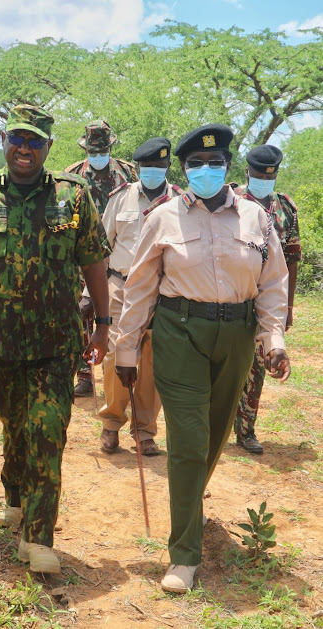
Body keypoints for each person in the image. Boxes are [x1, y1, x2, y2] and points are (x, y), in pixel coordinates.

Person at [115, 124, 291, 594]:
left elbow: (273, 284)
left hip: (236, 334)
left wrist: (273, 340)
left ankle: (189, 504)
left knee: (213, 435)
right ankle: (184, 555)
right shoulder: (163, 217)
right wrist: (126, 348)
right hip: (180, 332)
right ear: (184, 170)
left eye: (215, 164)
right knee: (189, 438)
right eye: (197, 164)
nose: (206, 171)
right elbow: (138, 290)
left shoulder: (258, 219)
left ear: (228, 167)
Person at [0, 105, 111, 574]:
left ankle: (38, 539)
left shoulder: (74, 197)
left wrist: (103, 323)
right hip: (1, 344)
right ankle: (14, 496)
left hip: (57, 343)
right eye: (18, 139)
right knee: (16, 425)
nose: (25, 149)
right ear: (4, 141)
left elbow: (94, 260)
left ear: (49, 147)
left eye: (35, 141)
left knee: (47, 431)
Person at [97, 137, 183, 456]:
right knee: (117, 356)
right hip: (121, 287)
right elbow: (102, 247)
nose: (153, 172)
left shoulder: (180, 202)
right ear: (136, 169)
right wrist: (91, 293)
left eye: (159, 167)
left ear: (167, 167)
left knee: (152, 361)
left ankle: (145, 431)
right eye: (147, 167)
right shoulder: (119, 199)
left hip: (163, 291)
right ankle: (111, 423)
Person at [233, 145, 301, 454]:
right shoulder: (232, 200)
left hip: (268, 298)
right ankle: (214, 425)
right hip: (235, 295)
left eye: (269, 176)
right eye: (259, 175)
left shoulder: (285, 208)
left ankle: (246, 430)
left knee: (259, 365)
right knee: (226, 363)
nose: (264, 179)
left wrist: (287, 306)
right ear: (248, 172)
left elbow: (292, 258)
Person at [66, 120, 137, 397]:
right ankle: (85, 375)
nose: (98, 156)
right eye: (93, 152)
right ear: (86, 150)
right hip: (83, 256)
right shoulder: (72, 175)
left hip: (118, 255)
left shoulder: (127, 172)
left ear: (110, 147)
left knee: (118, 314)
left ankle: (120, 368)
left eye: (102, 150)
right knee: (83, 313)